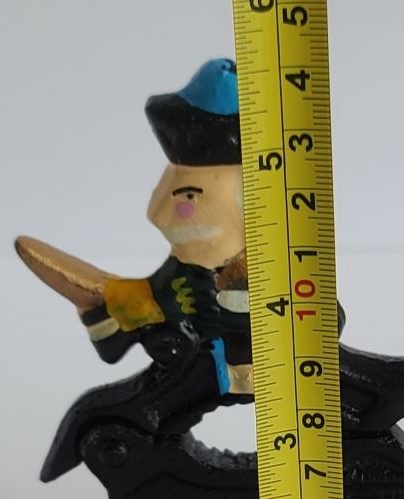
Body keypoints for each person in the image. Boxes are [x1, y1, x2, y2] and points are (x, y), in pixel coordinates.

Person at [17, 59, 254, 397]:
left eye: (188, 197)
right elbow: (154, 302)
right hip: (205, 371)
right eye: (162, 192)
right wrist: (102, 304)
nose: (156, 215)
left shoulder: (274, 268)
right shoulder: (183, 275)